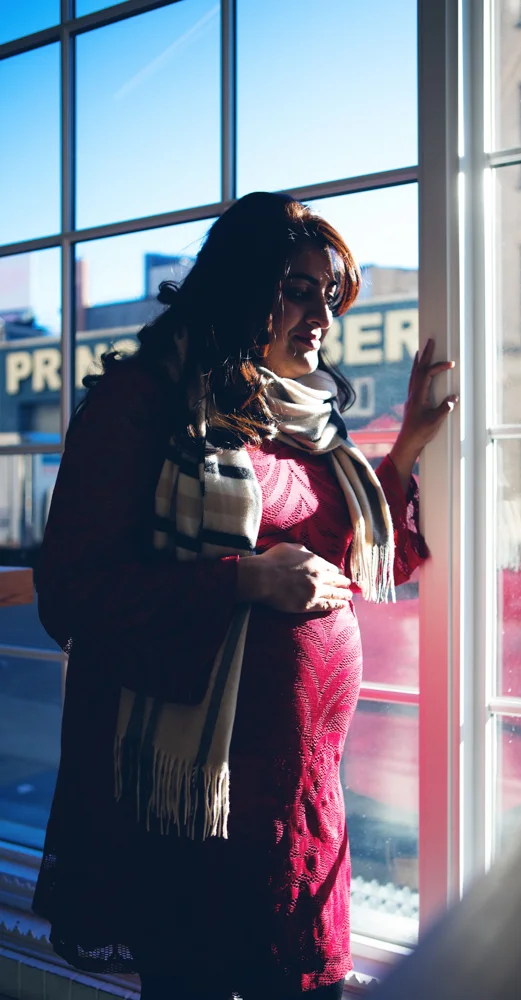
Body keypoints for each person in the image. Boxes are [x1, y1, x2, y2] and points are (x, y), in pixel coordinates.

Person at [31, 191, 457, 1000]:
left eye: (329, 295)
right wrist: (243, 578)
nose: (321, 316)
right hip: (195, 805)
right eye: (297, 290)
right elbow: (72, 593)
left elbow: (359, 560)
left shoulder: (304, 422)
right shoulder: (143, 403)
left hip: (299, 797)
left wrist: (405, 449)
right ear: (239, 285)